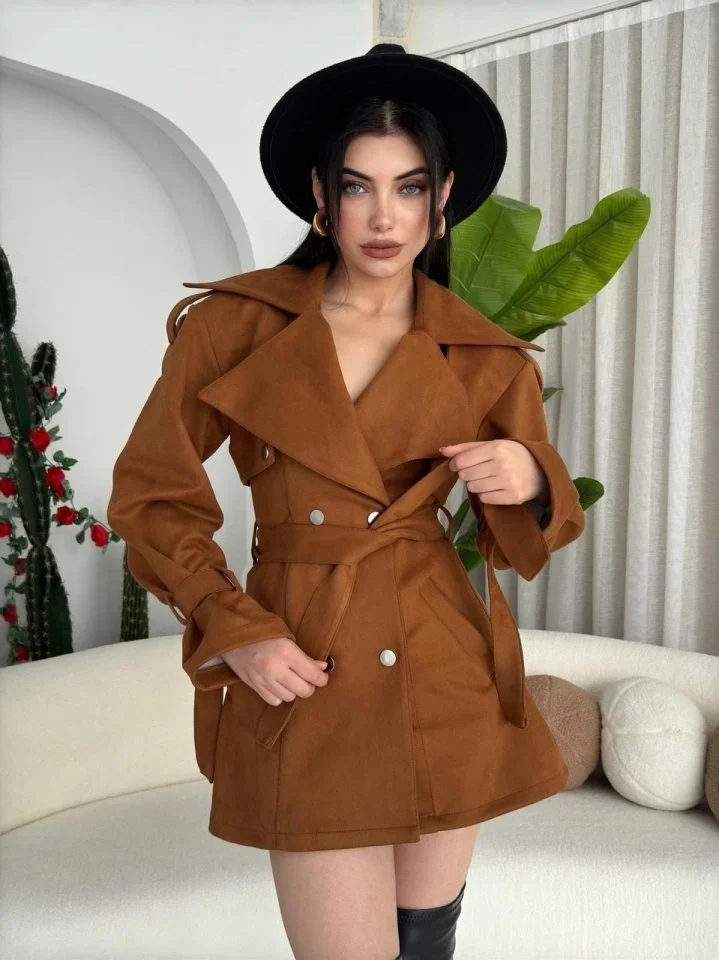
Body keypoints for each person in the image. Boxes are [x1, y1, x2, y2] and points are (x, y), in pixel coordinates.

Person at [107, 44, 586, 960]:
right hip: (304, 657)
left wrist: (529, 477)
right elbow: (152, 496)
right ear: (319, 198)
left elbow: (533, 529)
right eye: (357, 186)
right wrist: (233, 626)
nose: (384, 216)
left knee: (426, 944)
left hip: (442, 663)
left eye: (409, 187)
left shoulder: (482, 354)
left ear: (443, 199)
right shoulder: (232, 326)